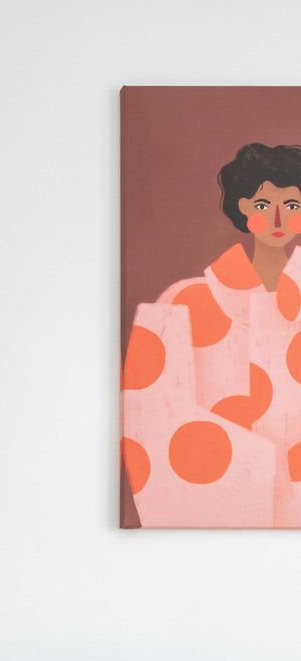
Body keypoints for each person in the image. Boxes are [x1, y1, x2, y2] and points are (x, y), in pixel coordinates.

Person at [122, 142, 301, 527]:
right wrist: (254, 468)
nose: (277, 219)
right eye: (262, 204)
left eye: (291, 205)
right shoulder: (184, 300)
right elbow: (148, 416)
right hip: (213, 527)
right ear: (242, 207)